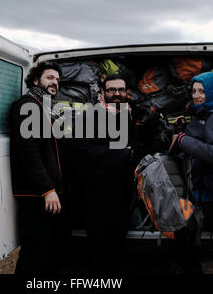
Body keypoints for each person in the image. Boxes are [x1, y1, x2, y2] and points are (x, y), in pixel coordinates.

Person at [169, 71, 213, 274]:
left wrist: (183, 140)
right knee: (190, 233)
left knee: (190, 235)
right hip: (200, 187)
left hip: (205, 192)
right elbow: (202, 138)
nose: (196, 95)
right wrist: (185, 128)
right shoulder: (206, 114)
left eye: (202, 91)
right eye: (193, 91)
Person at [9, 61, 70, 275]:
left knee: (51, 248)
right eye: (50, 78)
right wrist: (47, 190)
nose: (55, 83)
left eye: (57, 80)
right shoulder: (28, 106)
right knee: (35, 252)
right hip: (37, 195)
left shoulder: (44, 107)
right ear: (36, 80)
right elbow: (29, 153)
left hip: (50, 193)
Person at [77, 74, 136, 273]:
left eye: (121, 90)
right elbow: (84, 149)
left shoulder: (129, 113)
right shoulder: (91, 115)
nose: (117, 94)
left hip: (124, 188)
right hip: (98, 190)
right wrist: (120, 154)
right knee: (100, 241)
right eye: (112, 90)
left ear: (126, 92)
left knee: (120, 234)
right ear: (103, 92)